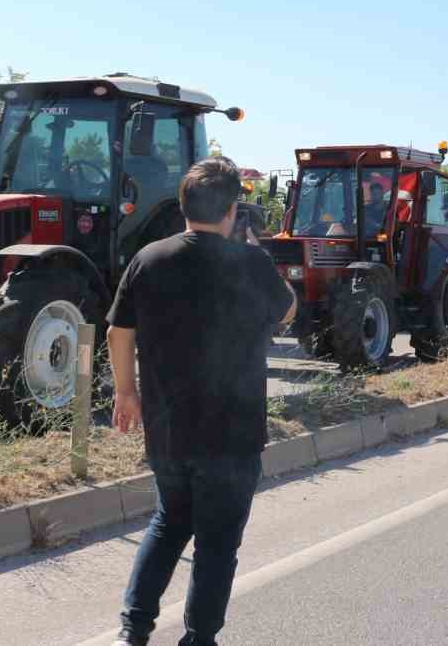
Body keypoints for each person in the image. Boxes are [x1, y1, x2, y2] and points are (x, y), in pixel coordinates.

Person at [107, 157, 296, 646]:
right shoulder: (250, 262)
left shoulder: (148, 258)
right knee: (216, 545)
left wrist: (126, 393)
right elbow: (289, 310)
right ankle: (198, 638)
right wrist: (257, 251)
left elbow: (117, 331)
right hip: (232, 434)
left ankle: (133, 630)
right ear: (233, 209)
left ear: (183, 205)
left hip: (168, 427)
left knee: (170, 522)